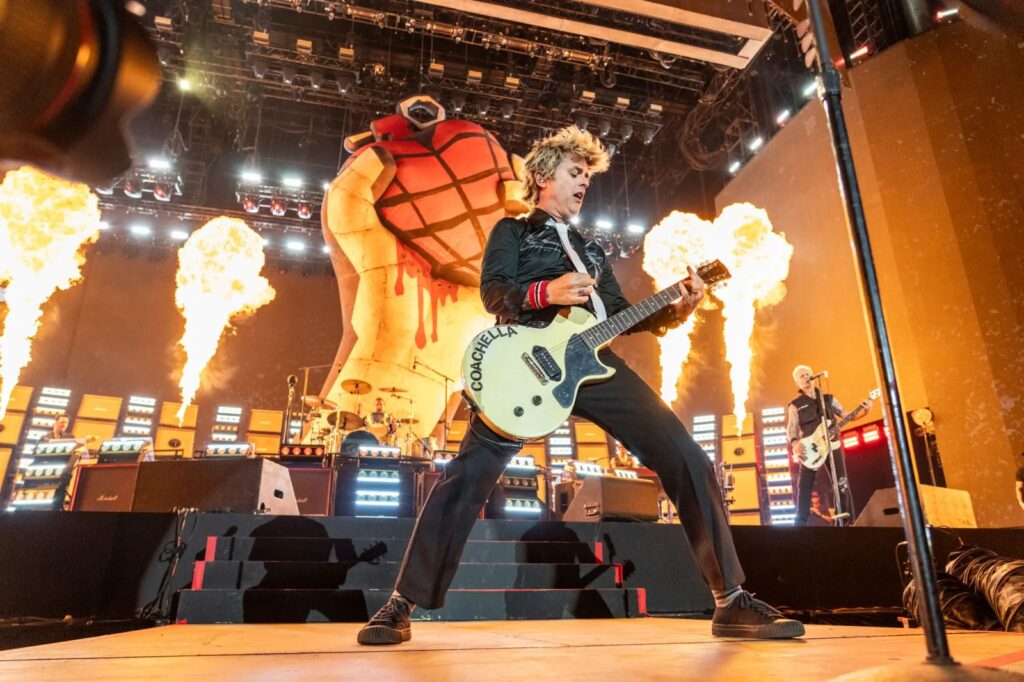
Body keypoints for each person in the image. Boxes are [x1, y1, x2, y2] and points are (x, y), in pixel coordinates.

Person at [357, 125, 804, 645]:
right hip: (525, 363)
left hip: (595, 366)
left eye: (588, 176)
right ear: (544, 176)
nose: (584, 182)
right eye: (575, 172)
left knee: (687, 457)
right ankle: (400, 604)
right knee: (464, 480)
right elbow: (494, 294)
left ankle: (730, 602)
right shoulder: (513, 231)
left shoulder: (592, 251)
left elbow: (621, 316)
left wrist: (677, 306)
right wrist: (547, 291)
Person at [786, 365, 871, 527]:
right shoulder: (795, 404)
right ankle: (800, 524)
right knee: (804, 485)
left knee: (841, 482)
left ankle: (845, 522)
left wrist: (865, 410)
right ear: (797, 382)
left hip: (833, 445)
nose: (806, 377)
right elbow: (791, 428)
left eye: (808, 374)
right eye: (802, 376)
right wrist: (795, 443)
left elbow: (848, 415)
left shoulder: (829, 399)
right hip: (810, 447)